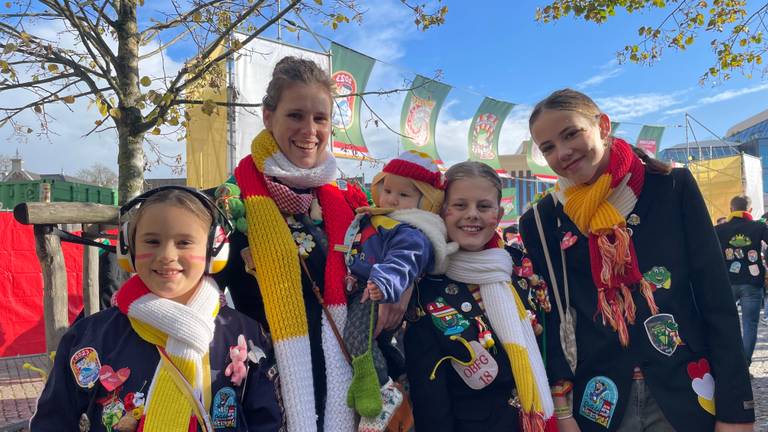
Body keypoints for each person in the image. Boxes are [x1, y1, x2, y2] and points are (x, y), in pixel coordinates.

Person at [519, 88, 754, 432]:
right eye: (548, 148)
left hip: (685, 392)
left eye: (571, 134)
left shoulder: (672, 188)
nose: (563, 153)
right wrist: (562, 411)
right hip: (599, 404)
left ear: (602, 125)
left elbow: (715, 300)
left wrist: (736, 410)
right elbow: (553, 321)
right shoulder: (542, 221)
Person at [210, 56, 403, 432]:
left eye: (320, 118)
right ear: (268, 116)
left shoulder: (349, 198)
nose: (309, 130)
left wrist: (403, 288)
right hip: (272, 389)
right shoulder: (233, 203)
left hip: (351, 380)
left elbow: (400, 251)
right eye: (296, 115)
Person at [31, 186, 281, 431]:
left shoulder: (245, 336)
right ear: (128, 248)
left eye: (184, 242)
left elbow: (265, 421)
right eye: (152, 241)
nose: (166, 255)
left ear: (213, 251)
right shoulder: (88, 338)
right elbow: (53, 421)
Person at [404, 161, 554, 432]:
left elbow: (550, 348)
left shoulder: (519, 268)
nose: (472, 215)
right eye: (460, 205)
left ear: (498, 213)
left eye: (483, 206)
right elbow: (430, 398)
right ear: (442, 211)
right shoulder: (423, 287)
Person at [342, 149, 454, 431]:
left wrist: (384, 282)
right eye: (387, 189)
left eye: (404, 195)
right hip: (363, 287)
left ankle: (380, 390)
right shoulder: (381, 218)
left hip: (376, 291)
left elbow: (404, 260)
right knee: (375, 342)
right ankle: (394, 372)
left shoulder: (410, 230)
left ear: (425, 200)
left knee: (355, 338)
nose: (391, 198)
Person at [715, 195, 768, 367]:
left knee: (726, 322)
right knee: (750, 324)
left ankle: (729, 363)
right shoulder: (759, 227)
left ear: (731, 209)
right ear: (750, 210)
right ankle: (744, 364)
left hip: (726, 282)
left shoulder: (719, 230)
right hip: (752, 283)